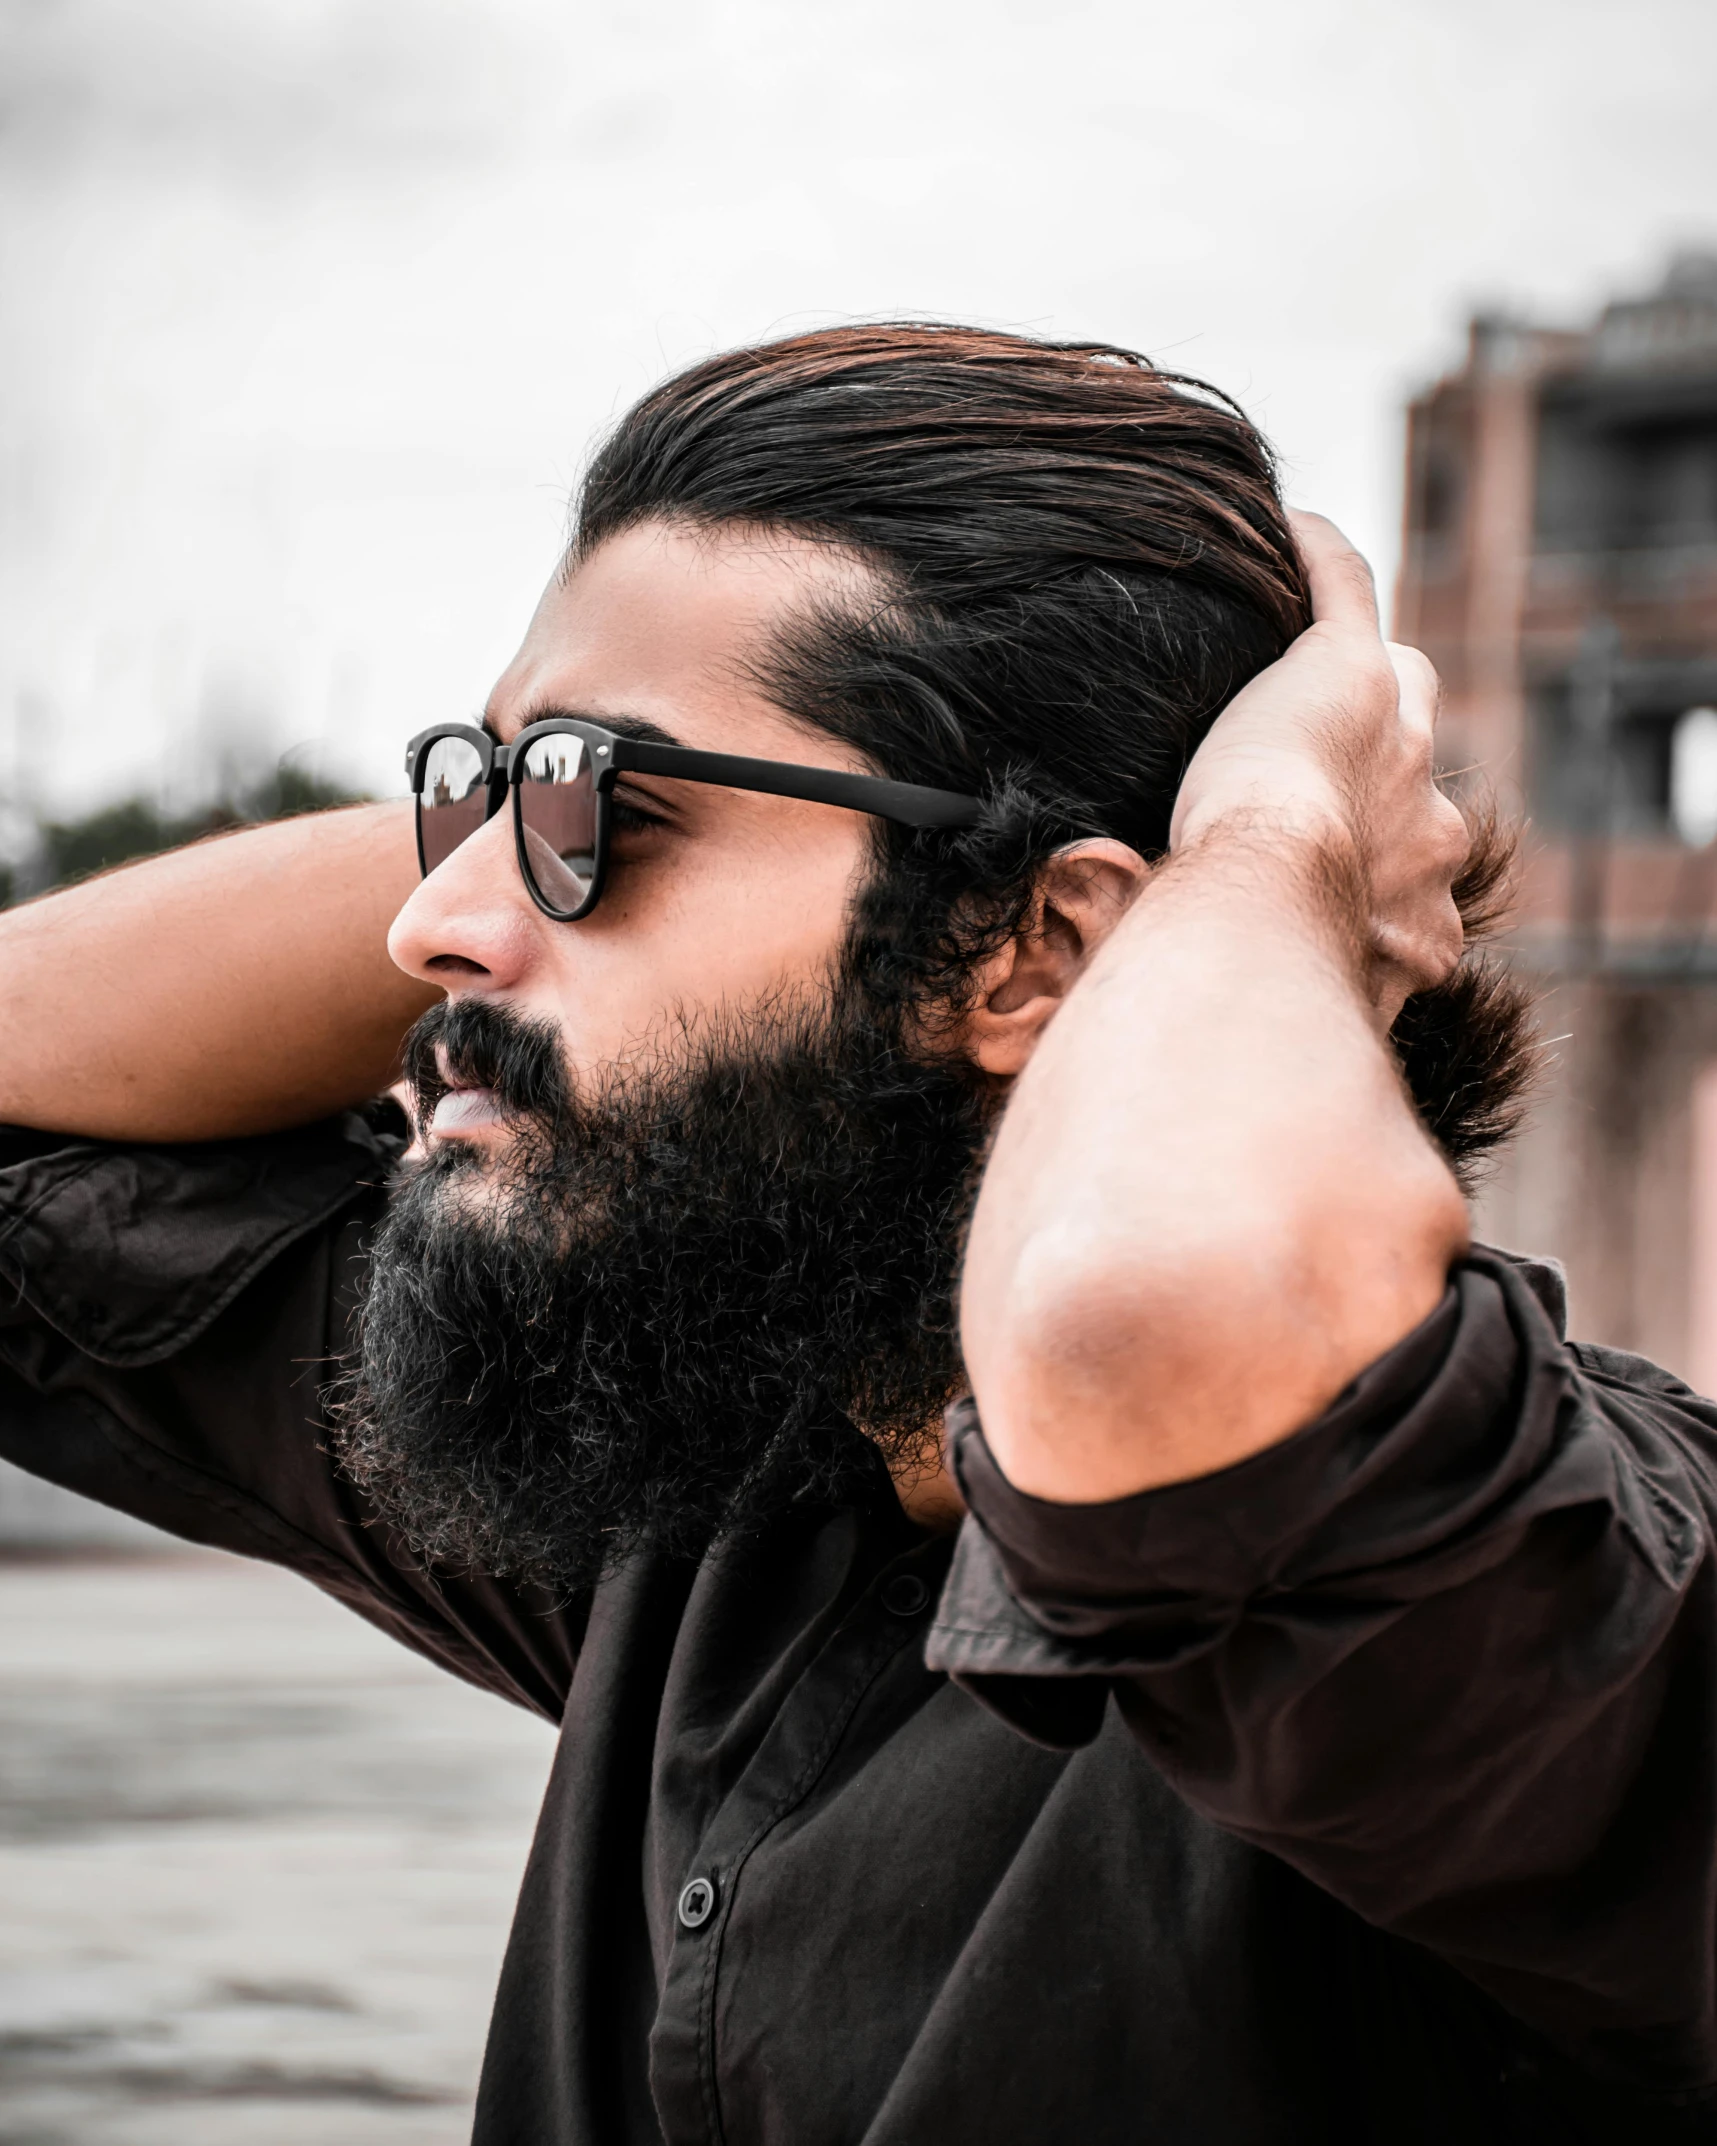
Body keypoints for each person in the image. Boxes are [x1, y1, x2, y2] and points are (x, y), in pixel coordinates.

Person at [0, 324, 1710, 2145]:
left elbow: (1156, 1319)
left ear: (1034, 952)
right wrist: (551, 793)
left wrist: (1278, 819)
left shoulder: (1572, 1595)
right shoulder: (705, 1474)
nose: (431, 922)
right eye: (469, 797)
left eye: (602, 812)